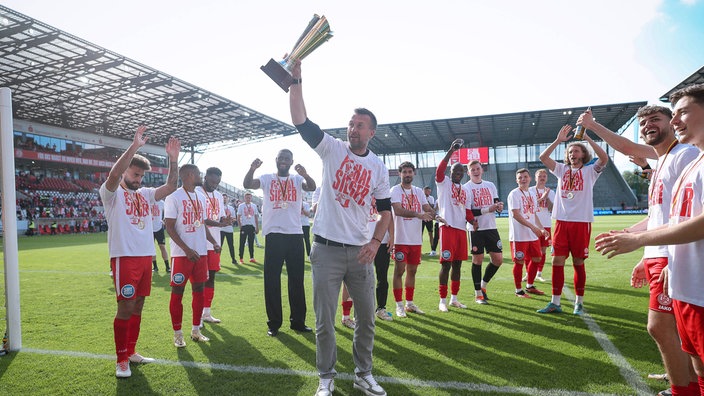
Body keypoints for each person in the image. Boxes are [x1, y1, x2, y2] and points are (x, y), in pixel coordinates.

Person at [290, 60, 391, 396]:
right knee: (324, 323)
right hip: (326, 250)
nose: (353, 128)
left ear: (371, 132)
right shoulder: (331, 149)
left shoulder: (378, 166)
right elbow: (301, 121)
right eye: (351, 123)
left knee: (367, 321)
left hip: (362, 253)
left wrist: (376, 242)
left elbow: (386, 212)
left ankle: (363, 374)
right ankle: (326, 378)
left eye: (360, 125)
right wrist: (296, 80)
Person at [582, 104, 699, 395]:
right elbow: (660, 214)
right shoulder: (663, 162)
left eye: (655, 119)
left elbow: (687, 215)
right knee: (675, 331)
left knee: (661, 327)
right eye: (643, 121)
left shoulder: (684, 155)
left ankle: (682, 388)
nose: (648, 125)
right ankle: (685, 381)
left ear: (671, 123)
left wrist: (592, 126)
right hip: (659, 253)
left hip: (672, 254)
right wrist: (633, 237)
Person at [99, 126, 179, 378]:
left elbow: (171, 186)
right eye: (135, 174)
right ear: (125, 172)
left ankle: (131, 351)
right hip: (124, 257)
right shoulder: (110, 194)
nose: (139, 179)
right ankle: (121, 359)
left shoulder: (145, 194)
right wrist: (134, 146)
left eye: (142, 176)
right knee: (125, 308)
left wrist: (174, 160)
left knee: (139, 306)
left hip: (146, 257)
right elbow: (113, 175)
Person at [243, 150, 316, 337]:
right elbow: (247, 184)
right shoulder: (267, 178)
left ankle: (298, 321)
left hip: (294, 234)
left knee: (296, 280)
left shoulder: (297, 180)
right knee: (272, 280)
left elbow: (312, 187)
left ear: (291, 162)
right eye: (281, 158)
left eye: (287, 159)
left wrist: (305, 174)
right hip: (274, 234)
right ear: (276, 160)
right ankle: (274, 323)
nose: (283, 161)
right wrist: (252, 168)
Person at [537, 124, 608, 315]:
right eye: (569, 151)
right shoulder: (561, 169)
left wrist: (587, 138)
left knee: (578, 262)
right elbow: (543, 157)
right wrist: (558, 141)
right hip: (561, 221)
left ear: (583, 154)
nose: (572, 153)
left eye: (576, 150)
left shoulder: (590, 171)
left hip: (581, 222)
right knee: (557, 262)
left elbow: (604, 158)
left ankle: (579, 302)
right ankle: (555, 302)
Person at [165, 164, 220, 348]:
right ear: (189, 175)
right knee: (177, 293)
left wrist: (213, 240)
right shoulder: (173, 197)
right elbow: (170, 227)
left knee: (199, 292)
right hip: (182, 255)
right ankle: (177, 334)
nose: (200, 175)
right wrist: (187, 249)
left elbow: (202, 223)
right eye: (198, 173)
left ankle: (196, 330)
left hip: (201, 254)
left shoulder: (201, 198)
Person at [435, 141, 476, 312]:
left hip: (461, 230)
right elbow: (439, 170)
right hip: (447, 227)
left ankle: (454, 298)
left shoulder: (466, 191)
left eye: (460, 171)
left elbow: (466, 211)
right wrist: (451, 151)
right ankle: (442, 300)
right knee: (446, 264)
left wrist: (473, 220)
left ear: (463, 174)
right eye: (455, 171)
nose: (458, 173)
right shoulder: (443, 182)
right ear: (451, 172)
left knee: (458, 265)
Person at [390, 161, 434, 318]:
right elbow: (398, 210)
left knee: (413, 271)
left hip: (416, 239)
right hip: (400, 238)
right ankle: (399, 305)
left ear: (414, 173)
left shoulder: (418, 191)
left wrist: (438, 215)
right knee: (399, 271)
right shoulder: (395, 190)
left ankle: (409, 303)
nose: (408, 174)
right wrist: (418, 214)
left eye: (410, 171)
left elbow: (427, 208)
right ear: (399, 174)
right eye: (405, 172)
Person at [464, 160, 504, 304]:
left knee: (498, 260)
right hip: (476, 228)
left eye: (477, 168)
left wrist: (499, 206)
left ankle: (483, 286)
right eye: (472, 169)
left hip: (491, 227)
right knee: (477, 260)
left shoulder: (490, 185)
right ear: (468, 172)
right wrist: (488, 209)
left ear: (482, 170)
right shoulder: (466, 188)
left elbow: (496, 201)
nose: (475, 171)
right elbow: (468, 211)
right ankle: (478, 294)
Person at [196, 167, 232, 325]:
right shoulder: (196, 192)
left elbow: (220, 215)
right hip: (199, 242)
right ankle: (197, 317)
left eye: (217, 183)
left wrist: (226, 220)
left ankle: (207, 313)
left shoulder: (218, 195)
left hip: (214, 243)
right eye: (212, 182)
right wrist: (220, 223)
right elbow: (202, 219)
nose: (214, 185)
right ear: (205, 178)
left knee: (211, 277)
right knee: (199, 280)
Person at [507, 169, 547, 298]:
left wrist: (541, 228)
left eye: (525, 177)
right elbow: (516, 214)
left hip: (532, 234)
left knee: (537, 258)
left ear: (530, 178)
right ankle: (518, 290)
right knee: (519, 262)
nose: (523, 179)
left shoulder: (531, 193)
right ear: (516, 180)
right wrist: (532, 227)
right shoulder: (514, 194)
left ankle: (529, 286)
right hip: (519, 236)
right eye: (520, 178)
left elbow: (534, 214)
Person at [527, 169, 554, 282]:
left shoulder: (551, 192)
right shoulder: (529, 190)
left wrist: (546, 197)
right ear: (535, 178)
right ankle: (528, 273)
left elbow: (552, 208)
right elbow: (529, 206)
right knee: (530, 250)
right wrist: (542, 197)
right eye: (540, 176)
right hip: (533, 224)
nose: (542, 178)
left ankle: (539, 273)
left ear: (546, 178)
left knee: (543, 250)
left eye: (544, 176)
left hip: (546, 223)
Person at [370, 197, 394, 322]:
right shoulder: (359, 189)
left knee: (382, 277)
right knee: (359, 278)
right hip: (363, 240)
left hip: (382, 241)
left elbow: (389, 216)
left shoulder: (382, 195)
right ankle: (360, 312)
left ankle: (381, 308)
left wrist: (392, 236)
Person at [237, 192, 259, 264]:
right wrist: (240, 226)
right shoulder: (241, 206)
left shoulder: (254, 206)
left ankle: (252, 257)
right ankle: (241, 258)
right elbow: (238, 217)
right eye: (246, 197)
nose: (248, 199)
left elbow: (256, 217)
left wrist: (257, 227)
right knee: (242, 243)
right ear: (244, 198)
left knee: (251, 243)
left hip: (251, 226)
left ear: (251, 198)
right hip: (244, 226)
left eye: (249, 197)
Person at [150, 199, 170, 272]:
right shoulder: (147, 201)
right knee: (152, 248)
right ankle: (155, 267)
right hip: (149, 229)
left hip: (159, 228)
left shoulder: (161, 203)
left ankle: (168, 267)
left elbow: (168, 211)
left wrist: (165, 219)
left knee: (162, 247)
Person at [220, 194, 237, 265]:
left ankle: (233, 259)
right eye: (223, 198)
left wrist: (230, 220)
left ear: (228, 199)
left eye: (225, 198)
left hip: (229, 229)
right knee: (220, 245)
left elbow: (234, 218)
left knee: (231, 245)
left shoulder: (231, 208)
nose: (224, 199)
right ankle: (217, 260)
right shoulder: (219, 207)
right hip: (221, 229)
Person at [421, 186, 438, 256]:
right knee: (420, 234)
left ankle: (432, 249)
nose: (428, 193)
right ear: (424, 191)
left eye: (429, 191)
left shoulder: (431, 198)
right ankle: (419, 249)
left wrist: (427, 202)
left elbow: (432, 207)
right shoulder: (421, 197)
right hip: (422, 217)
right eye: (427, 191)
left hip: (429, 218)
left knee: (430, 233)